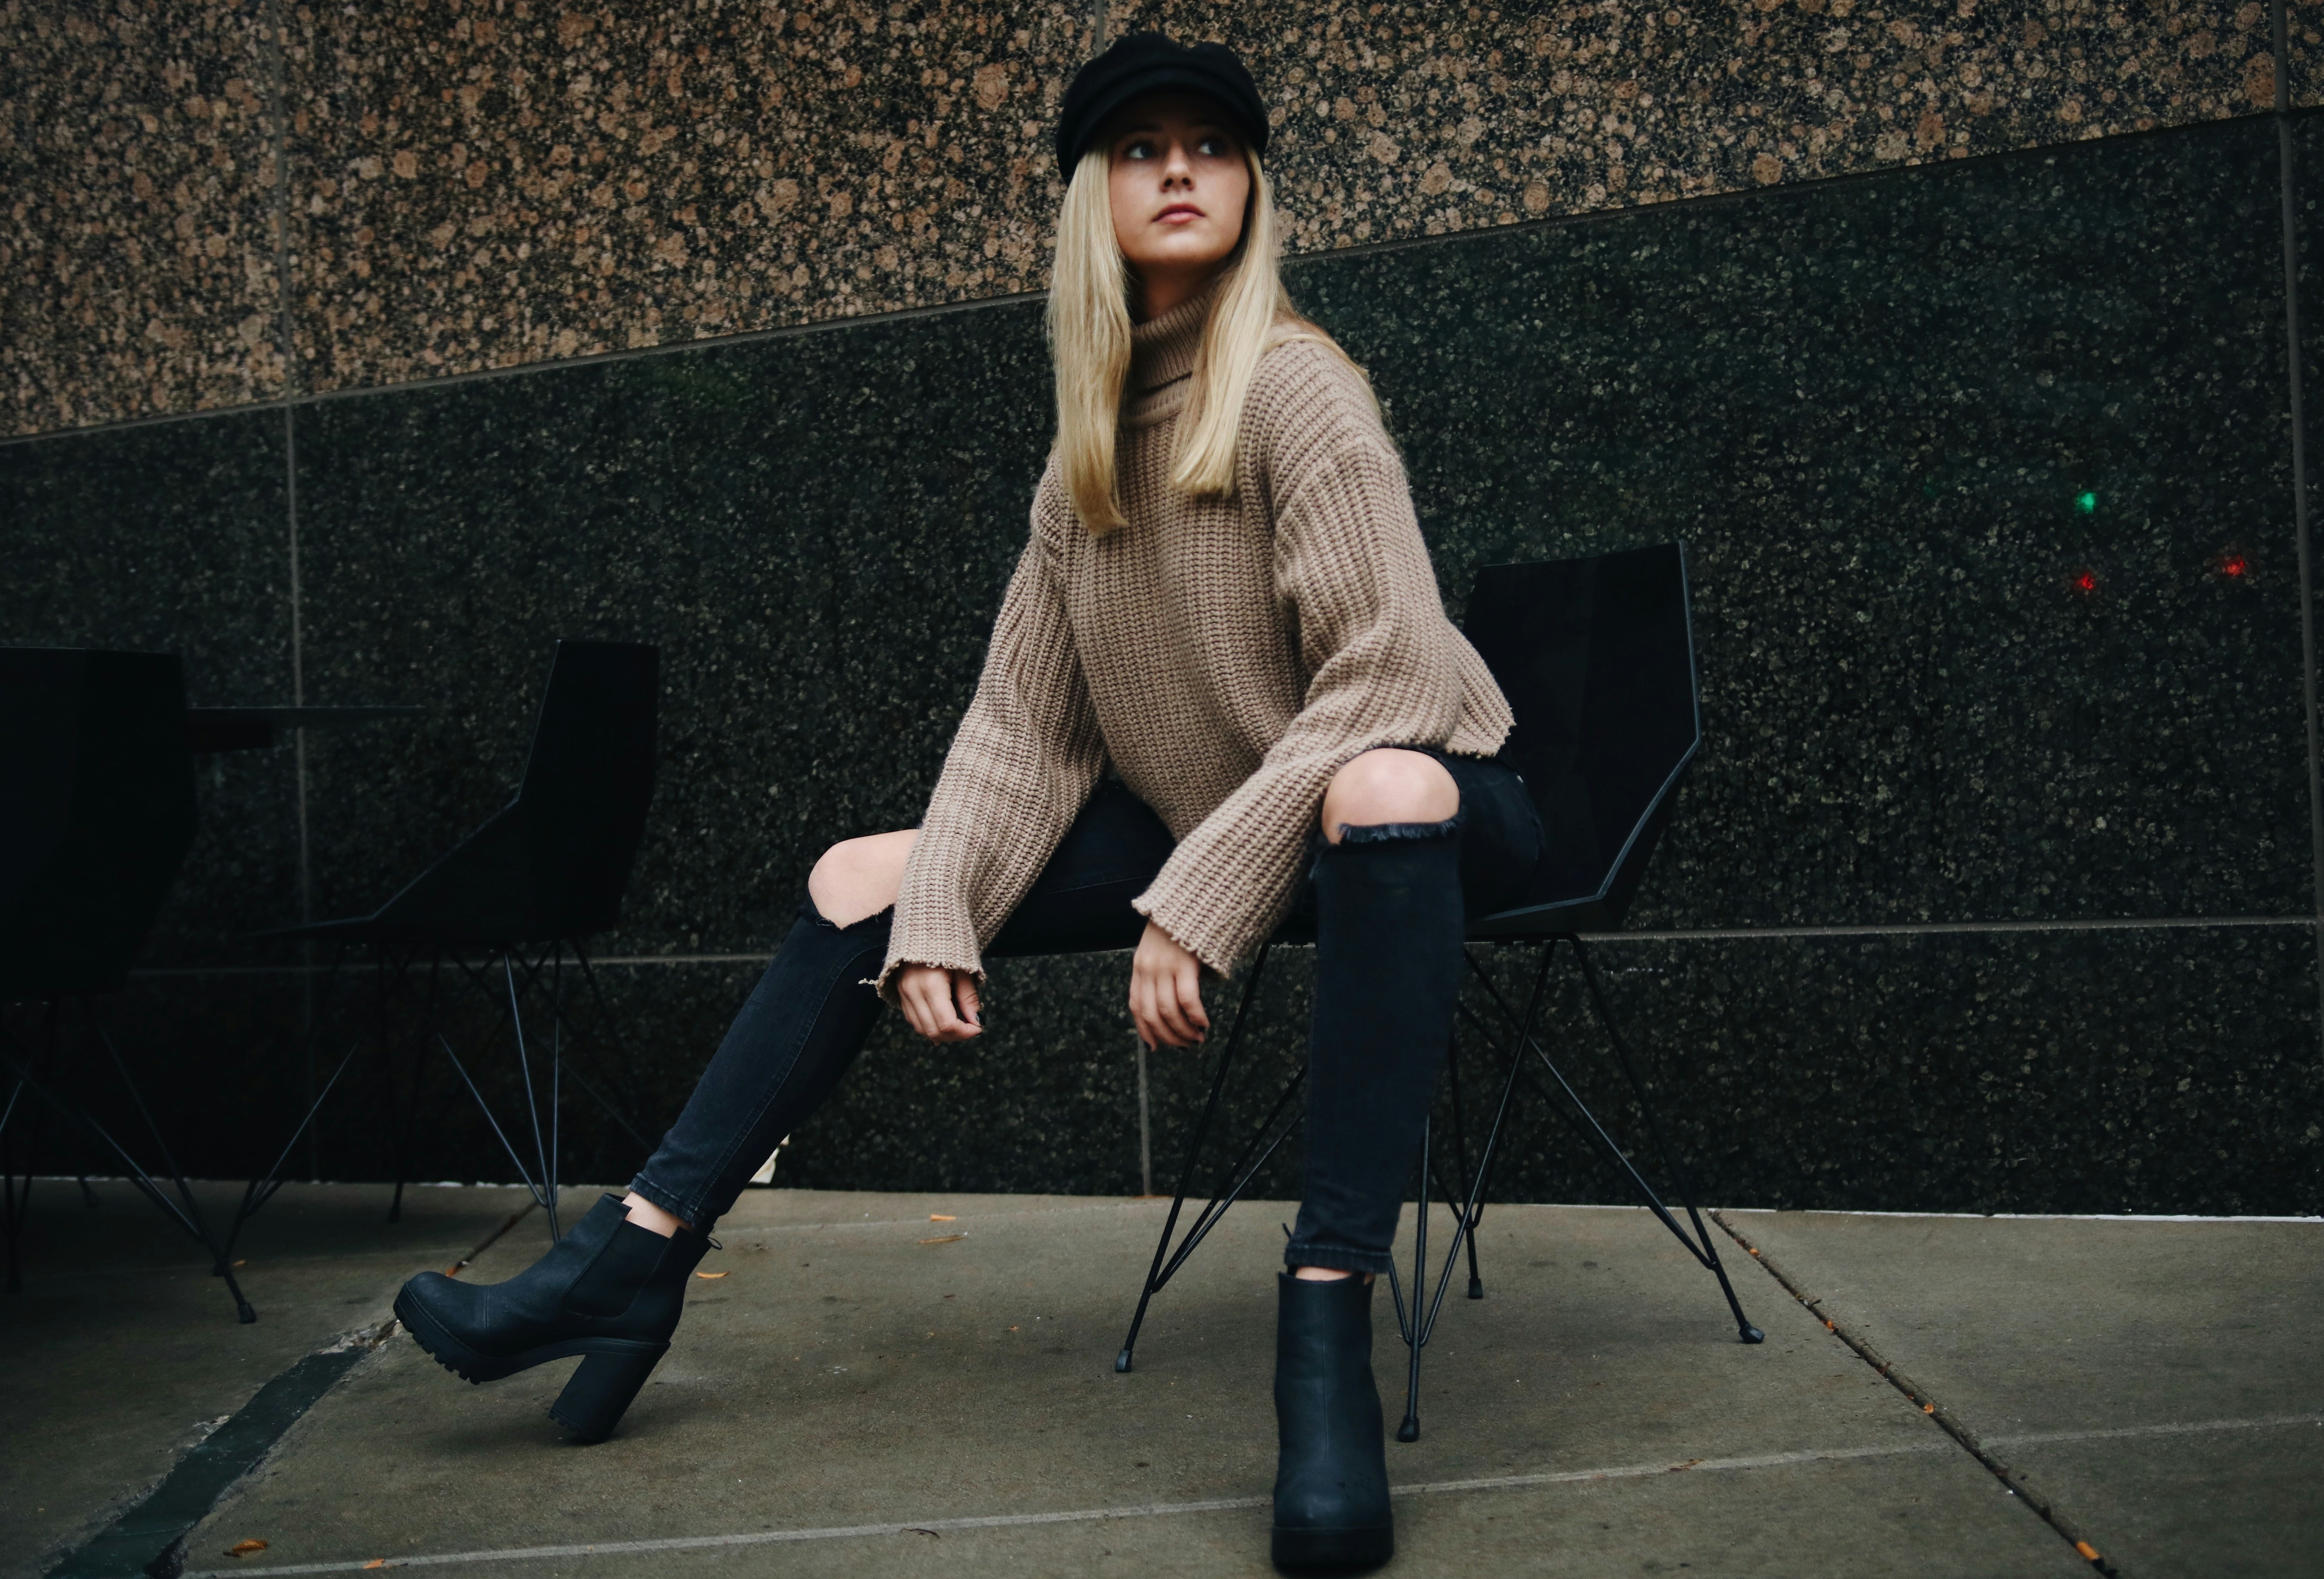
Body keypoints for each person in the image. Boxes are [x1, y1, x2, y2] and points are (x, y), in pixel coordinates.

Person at [394, 32, 1540, 1571]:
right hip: (1228, 805)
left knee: (1383, 787)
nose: (1182, 167)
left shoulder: (1296, 387)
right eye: (1142, 149)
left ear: (1253, 185)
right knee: (861, 874)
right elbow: (1022, 720)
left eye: (1212, 143)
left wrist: (1193, 897)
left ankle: (1326, 1310)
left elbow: (1387, 679)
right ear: (1094, 196)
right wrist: (939, 908)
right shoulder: (1087, 443)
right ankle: (638, 1252)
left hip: (1423, 802)